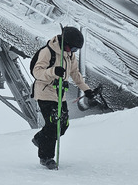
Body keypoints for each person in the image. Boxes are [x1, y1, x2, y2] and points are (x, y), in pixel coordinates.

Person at [31, 26, 95, 169]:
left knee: (63, 125)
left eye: (75, 50)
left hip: (60, 93)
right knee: (54, 124)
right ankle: (46, 157)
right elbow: (37, 72)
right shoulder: (47, 52)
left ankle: (39, 139)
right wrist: (53, 71)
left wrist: (87, 90)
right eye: (72, 49)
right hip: (45, 92)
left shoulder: (69, 55)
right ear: (64, 42)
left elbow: (75, 74)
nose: (73, 52)